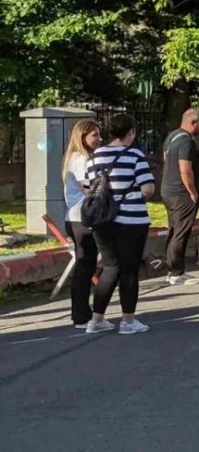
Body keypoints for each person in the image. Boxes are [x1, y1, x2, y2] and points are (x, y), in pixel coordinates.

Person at [84, 114, 156, 335]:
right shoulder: (135, 155)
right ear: (131, 132)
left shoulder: (94, 157)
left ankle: (96, 320)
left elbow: (89, 189)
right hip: (131, 220)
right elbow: (148, 189)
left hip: (102, 221)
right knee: (129, 270)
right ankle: (128, 321)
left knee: (109, 267)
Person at [62, 119, 102, 329]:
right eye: (95, 135)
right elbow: (88, 186)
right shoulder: (81, 159)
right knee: (84, 267)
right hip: (81, 218)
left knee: (86, 266)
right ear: (82, 136)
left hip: (79, 217)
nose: (99, 139)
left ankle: (83, 312)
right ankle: (80, 315)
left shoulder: (81, 158)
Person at [161, 108, 199, 286]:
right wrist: (193, 191)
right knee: (181, 231)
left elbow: (165, 158)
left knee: (174, 229)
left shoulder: (172, 136)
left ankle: (173, 270)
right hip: (181, 193)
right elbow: (185, 169)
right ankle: (176, 273)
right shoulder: (187, 141)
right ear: (192, 123)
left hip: (168, 190)